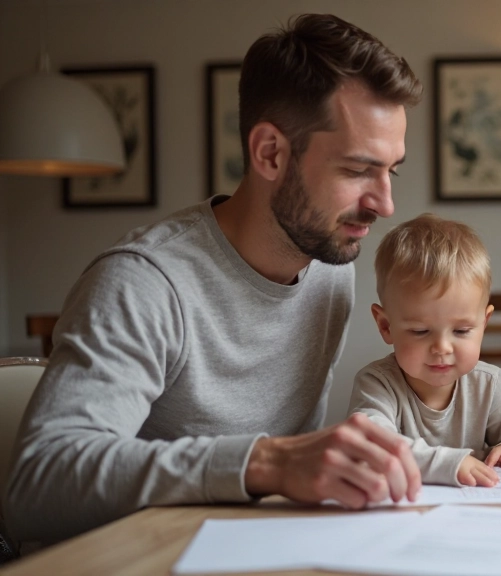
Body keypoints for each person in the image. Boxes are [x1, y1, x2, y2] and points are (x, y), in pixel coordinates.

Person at [2, 14, 424, 545]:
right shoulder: (145, 283)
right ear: (270, 152)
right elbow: (37, 487)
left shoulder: (329, 269)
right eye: (358, 170)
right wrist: (264, 461)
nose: (385, 204)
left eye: (392, 170)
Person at [349, 214, 501, 487]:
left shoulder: (489, 383)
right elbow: (370, 443)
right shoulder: (378, 383)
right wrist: (449, 464)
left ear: (483, 324)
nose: (442, 348)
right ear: (385, 326)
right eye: (420, 331)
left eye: (462, 331)